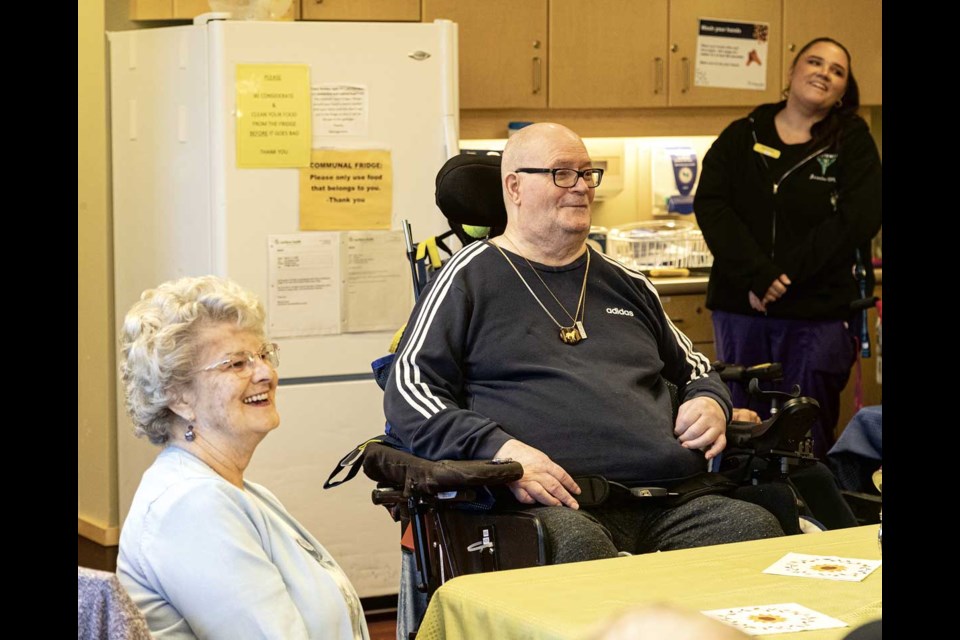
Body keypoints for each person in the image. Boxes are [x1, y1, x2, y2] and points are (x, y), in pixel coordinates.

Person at [384, 122, 784, 567]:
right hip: (547, 506)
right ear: (514, 187)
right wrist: (503, 452)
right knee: (577, 553)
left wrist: (711, 401)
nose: (580, 187)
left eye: (587, 173)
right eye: (561, 173)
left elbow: (694, 368)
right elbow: (408, 390)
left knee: (754, 531)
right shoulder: (469, 277)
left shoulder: (627, 283)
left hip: (667, 499)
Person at [116, 275, 369, 640]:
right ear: (179, 398)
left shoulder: (238, 491)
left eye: (263, 355)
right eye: (237, 364)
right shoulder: (192, 506)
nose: (266, 373)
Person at [694, 37, 882, 460]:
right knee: (741, 424)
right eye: (814, 62)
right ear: (791, 73)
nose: (824, 73)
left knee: (805, 430)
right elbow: (711, 204)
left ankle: (814, 521)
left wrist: (783, 277)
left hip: (816, 313)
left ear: (842, 91)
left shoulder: (851, 142)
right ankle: (748, 518)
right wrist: (756, 274)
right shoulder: (743, 135)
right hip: (742, 307)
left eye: (837, 71)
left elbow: (858, 218)